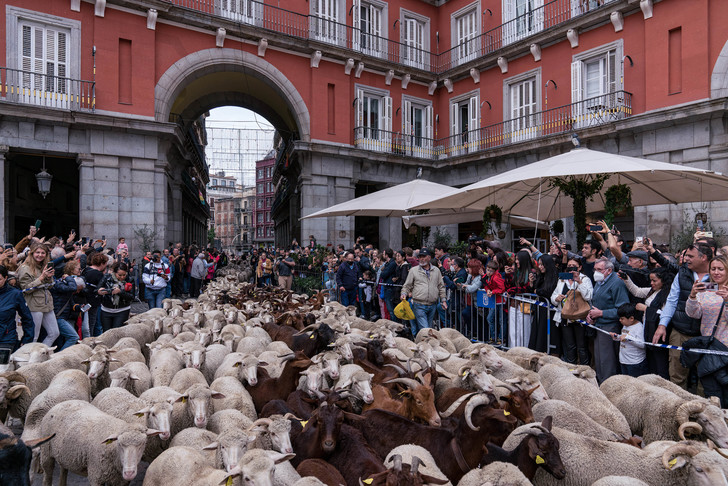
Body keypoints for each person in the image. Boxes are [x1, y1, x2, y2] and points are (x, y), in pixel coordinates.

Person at [653, 244, 712, 388]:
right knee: (677, 377)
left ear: (703, 258)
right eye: (686, 256)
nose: (686, 259)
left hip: (706, 336)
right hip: (680, 332)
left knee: (705, 380)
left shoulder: (718, 274)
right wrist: (662, 325)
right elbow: (672, 301)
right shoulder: (683, 273)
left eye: (690, 256)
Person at [685, 254, 728, 406]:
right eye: (713, 269)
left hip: (725, 350)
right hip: (708, 349)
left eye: (720, 269)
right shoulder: (707, 289)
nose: (716, 272)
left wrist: (727, 302)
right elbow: (694, 314)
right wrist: (692, 296)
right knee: (712, 394)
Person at [622, 267, 673, 379]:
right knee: (652, 364)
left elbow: (665, 314)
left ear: (663, 280)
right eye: (651, 280)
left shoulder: (668, 294)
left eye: (654, 281)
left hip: (659, 332)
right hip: (648, 331)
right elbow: (637, 291)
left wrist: (646, 309)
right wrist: (626, 279)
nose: (652, 283)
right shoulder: (652, 291)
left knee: (660, 365)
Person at [586, 257, 630, 383]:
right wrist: (591, 314)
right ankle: (600, 383)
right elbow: (596, 301)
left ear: (609, 270)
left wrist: (601, 313)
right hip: (598, 325)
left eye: (599, 269)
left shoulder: (617, 283)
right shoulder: (600, 281)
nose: (596, 272)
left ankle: (608, 386)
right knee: (599, 359)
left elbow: (622, 309)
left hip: (610, 326)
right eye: (595, 269)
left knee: (607, 361)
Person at [17, 242, 60, 346]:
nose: (40, 255)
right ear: (32, 253)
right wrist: (41, 278)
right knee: (34, 336)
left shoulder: (43, 266)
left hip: (47, 304)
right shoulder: (24, 268)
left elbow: (50, 287)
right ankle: (28, 359)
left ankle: (40, 354)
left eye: (43, 253)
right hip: (34, 305)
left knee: (54, 333)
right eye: (37, 252)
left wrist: (49, 277)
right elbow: (26, 289)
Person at [551, 258, 593, 365]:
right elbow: (554, 294)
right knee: (569, 346)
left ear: (579, 267)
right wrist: (556, 298)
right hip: (565, 317)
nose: (571, 268)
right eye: (569, 266)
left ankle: (584, 369)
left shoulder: (585, 279)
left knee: (581, 346)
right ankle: (571, 368)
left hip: (580, 318)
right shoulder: (562, 278)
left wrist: (579, 281)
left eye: (573, 266)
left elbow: (588, 296)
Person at [400, 248, 447, 336]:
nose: (421, 259)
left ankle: (420, 344)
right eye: (420, 257)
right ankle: (427, 346)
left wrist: (443, 300)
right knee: (425, 329)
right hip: (418, 304)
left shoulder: (436, 271)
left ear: (429, 258)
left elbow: (441, 286)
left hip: (432, 304)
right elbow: (407, 285)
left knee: (427, 328)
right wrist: (404, 293)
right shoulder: (414, 270)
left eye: (423, 257)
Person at [50, 260, 85, 349]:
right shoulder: (60, 284)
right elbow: (72, 287)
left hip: (63, 317)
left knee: (60, 341)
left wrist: (79, 307)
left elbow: (71, 303)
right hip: (58, 317)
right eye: (78, 289)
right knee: (74, 337)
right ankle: (61, 356)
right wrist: (69, 278)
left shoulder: (66, 286)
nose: (77, 292)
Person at [0, 265, 34, 351]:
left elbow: (27, 318)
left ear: (5, 278)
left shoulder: (15, 294)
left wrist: (26, 340)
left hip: (6, 340)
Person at [529, 254, 559, 353]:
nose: (540, 267)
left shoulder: (554, 277)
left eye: (542, 265)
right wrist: (532, 283)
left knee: (546, 332)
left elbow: (548, 292)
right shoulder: (541, 276)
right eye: (540, 264)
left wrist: (537, 291)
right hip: (540, 308)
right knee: (538, 331)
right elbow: (534, 289)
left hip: (549, 310)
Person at [504, 251, 534, 348]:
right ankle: (513, 350)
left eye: (518, 259)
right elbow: (507, 286)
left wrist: (512, 290)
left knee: (524, 331)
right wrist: (507, 275)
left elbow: (528, 288)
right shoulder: (515, 273)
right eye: (515, 259)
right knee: (513, 331)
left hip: (525, 306)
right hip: (513, 305)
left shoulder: (531, 273)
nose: (516, 262)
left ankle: (524, 351)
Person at [613, 303, 648, 377]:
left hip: (635, 363)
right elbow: (624, 338)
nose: (620, 320)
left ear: (631, 318)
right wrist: (617, 337)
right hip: (624, 361)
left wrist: (628, 338)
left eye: (622, 318)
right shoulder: (626, 325)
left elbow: (642, 345)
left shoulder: (638, 328)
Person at [99, 262, 133, 331]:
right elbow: (97, 289)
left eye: (124, 275)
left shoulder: (129, 279)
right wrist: (100, 291)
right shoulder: (107, 277)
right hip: (106, 309)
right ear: (114, 273)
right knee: (106, 332)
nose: (122, 277)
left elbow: (132, 297)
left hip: (122, 310)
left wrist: (120, 292)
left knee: (117, 332)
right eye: (119, 275)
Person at [482, 260, 506, 343]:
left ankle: (500, 338)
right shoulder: (486, 276)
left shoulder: (496, 277)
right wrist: (488, 290)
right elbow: (484, 283)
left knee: (500, 320)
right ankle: (494, 337)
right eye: (487, 270)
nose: (488, 272)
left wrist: (492, 292)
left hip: (500, 301)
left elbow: (502, 288)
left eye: (490, 271)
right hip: (494, 300)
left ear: (495, 271)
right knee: (490, 319)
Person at [458, 259, 482, 338]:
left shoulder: (479, 278)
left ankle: (478, 334)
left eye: (469, 267)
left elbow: (472, 289)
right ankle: (473, 331)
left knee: (480, 319)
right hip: (470, 302)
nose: (467, 269)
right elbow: (465, 285)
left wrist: (465, 287)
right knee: (466, 314)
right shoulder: (470, 276)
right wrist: (461, 285)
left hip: (478, 304)